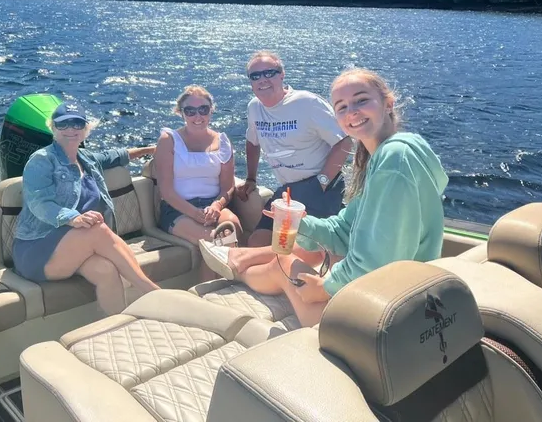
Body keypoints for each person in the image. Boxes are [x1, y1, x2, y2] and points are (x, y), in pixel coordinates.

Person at [199, 67, 449, 327]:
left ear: (388, 104)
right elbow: (342, 230)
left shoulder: (395, 160)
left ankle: (235, 267)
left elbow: (377, 262)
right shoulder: (390, 155)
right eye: (341, 107)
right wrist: (299, 223)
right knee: (290, 258)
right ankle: (236, 263)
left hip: (381, 315)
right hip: (393, 297)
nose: (351, 111)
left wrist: (326, 287)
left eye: (361, 100)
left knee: (281, 264)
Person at [13, 101, 160, 314]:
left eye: (77, 124)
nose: (71, 129)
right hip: (38, 249)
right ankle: (152, 293)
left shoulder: (88, 159)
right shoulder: (41, 160)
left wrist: (150, 149)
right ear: (53, 128)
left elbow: (116, 155)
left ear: (86, 130)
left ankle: (115, 328)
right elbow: (39, 202)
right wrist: (73, 218)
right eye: (63, 124)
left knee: (106, 271)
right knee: (96, 228)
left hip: (74, 247)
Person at [237, 51, 353, 249]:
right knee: (258, 242)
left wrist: (323, 181)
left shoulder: (306, 103)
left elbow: (344, 140)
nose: (262, 80)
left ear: (282, 74)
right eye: (255, 76)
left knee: (300, 247)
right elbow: (252, 141)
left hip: (321, 186)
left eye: (269, 73)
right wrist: (251, 178)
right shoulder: (254, 108)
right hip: (288, 190)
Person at [155, 85, 242, 280]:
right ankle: (211, 293)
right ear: (181, 113)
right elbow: (166, 191)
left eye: (203, 109)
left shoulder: (223, 141)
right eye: (190, 111)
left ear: (211, 111)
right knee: (214, 240)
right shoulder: (168, 140)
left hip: (212, 204)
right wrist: (194, 213)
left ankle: (223, 288)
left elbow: (228, 186)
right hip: (177, 208)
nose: (197, 116)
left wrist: (217, 206)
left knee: (233, 225)